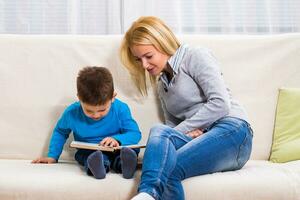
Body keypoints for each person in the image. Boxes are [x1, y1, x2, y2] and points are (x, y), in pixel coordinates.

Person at [120, 16, 253, 200]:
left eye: (148, 56)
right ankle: (146, 194)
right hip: (202, 138)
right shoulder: (162, 84)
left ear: (163, 42)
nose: (144, 65)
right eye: (138, 59)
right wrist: (186, 134)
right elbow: (171, 130)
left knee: (165, 162)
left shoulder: (195, 56)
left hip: (232, 131)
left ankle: (147, 193)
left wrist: (186, 129)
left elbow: (220, 103)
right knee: (161, 139)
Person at [32, 66, 141, 180]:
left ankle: (125, 164)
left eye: (102, 110)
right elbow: (60, 131)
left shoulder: (121, 109)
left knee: (128, 151)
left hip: (118, 149)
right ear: (79, 99)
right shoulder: (71, 113)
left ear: (112, 97)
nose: (96, 115)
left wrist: (117, 140)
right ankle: (99, 166)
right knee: (88, 156)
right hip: (90, 151)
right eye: (89, 110)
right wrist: (52, 156)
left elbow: (134, 133)